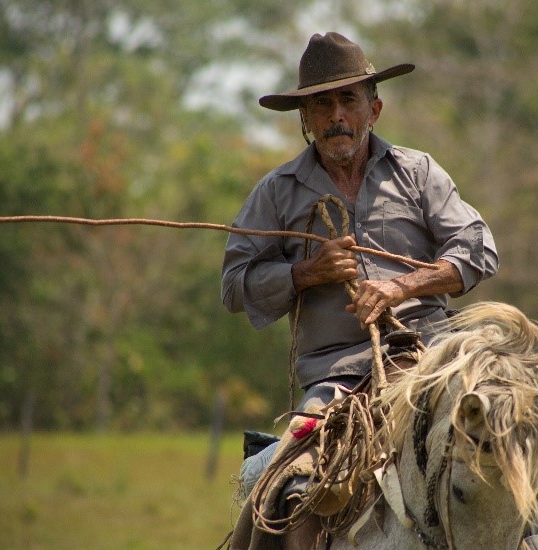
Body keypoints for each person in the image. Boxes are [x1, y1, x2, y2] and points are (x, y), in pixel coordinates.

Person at [221, 31, 498, 548]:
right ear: (303, 118)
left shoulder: (418, 173)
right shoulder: (276, 193)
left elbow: (479, 249)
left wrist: (402, 287)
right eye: (320, 104)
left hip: (432, 358)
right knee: (294, 487)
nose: (336, 115)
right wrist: (306, 274)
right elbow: (234, 286)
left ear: (375, 108)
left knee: (505, 440)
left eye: (348, 99)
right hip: (335, 379)